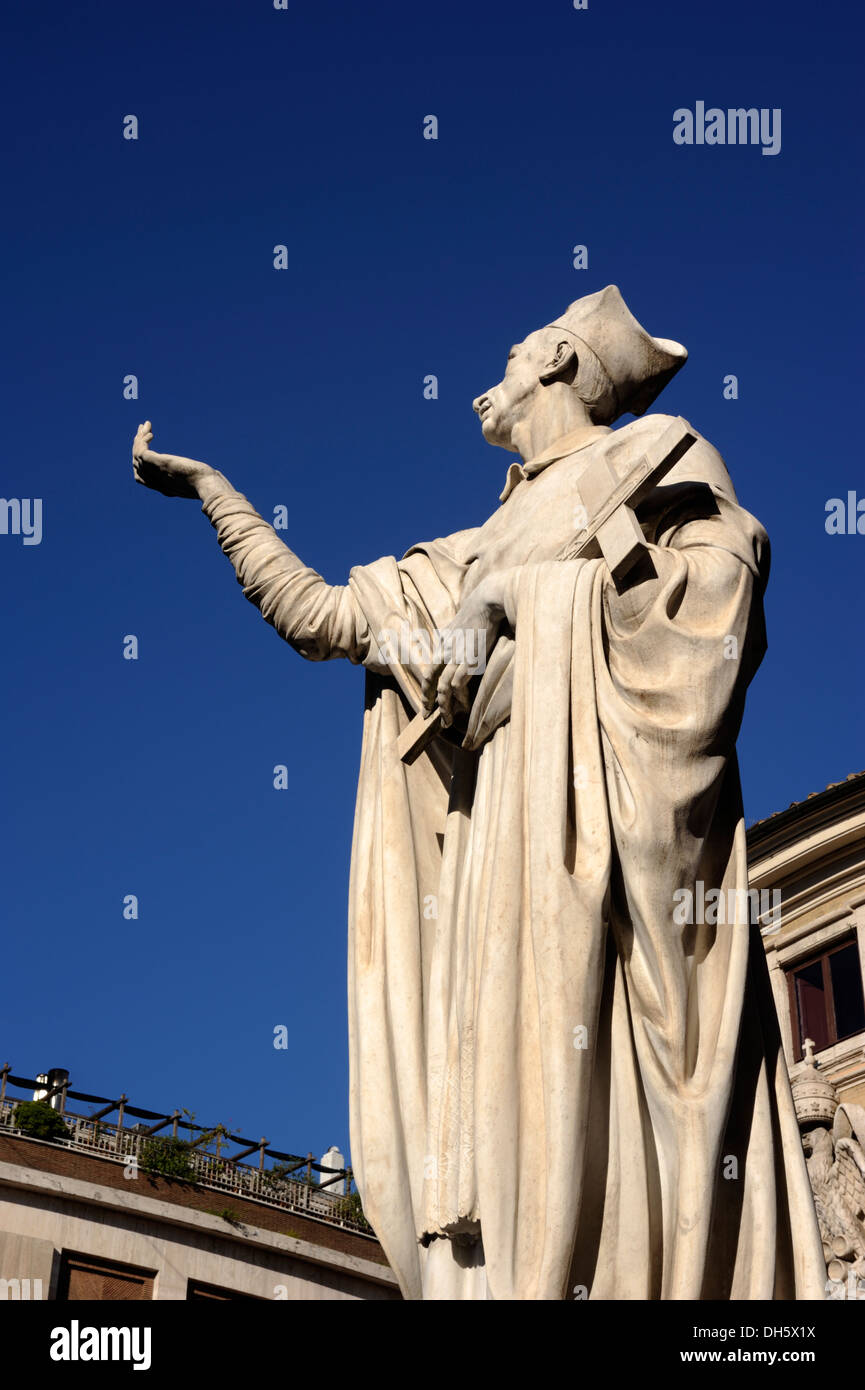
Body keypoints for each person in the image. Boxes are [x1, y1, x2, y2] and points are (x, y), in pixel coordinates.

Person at [133, 285, 826, 1300]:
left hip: (596, 819)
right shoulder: (467, 550)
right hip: (498, 839)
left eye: (506, 357)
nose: (484, 383)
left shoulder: (656, 456)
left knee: (596, 1091)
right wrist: (214, 492)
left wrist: (534, 601)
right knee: (515, 1106)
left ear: (554, 360)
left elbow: (718, 604)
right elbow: (324, 616)